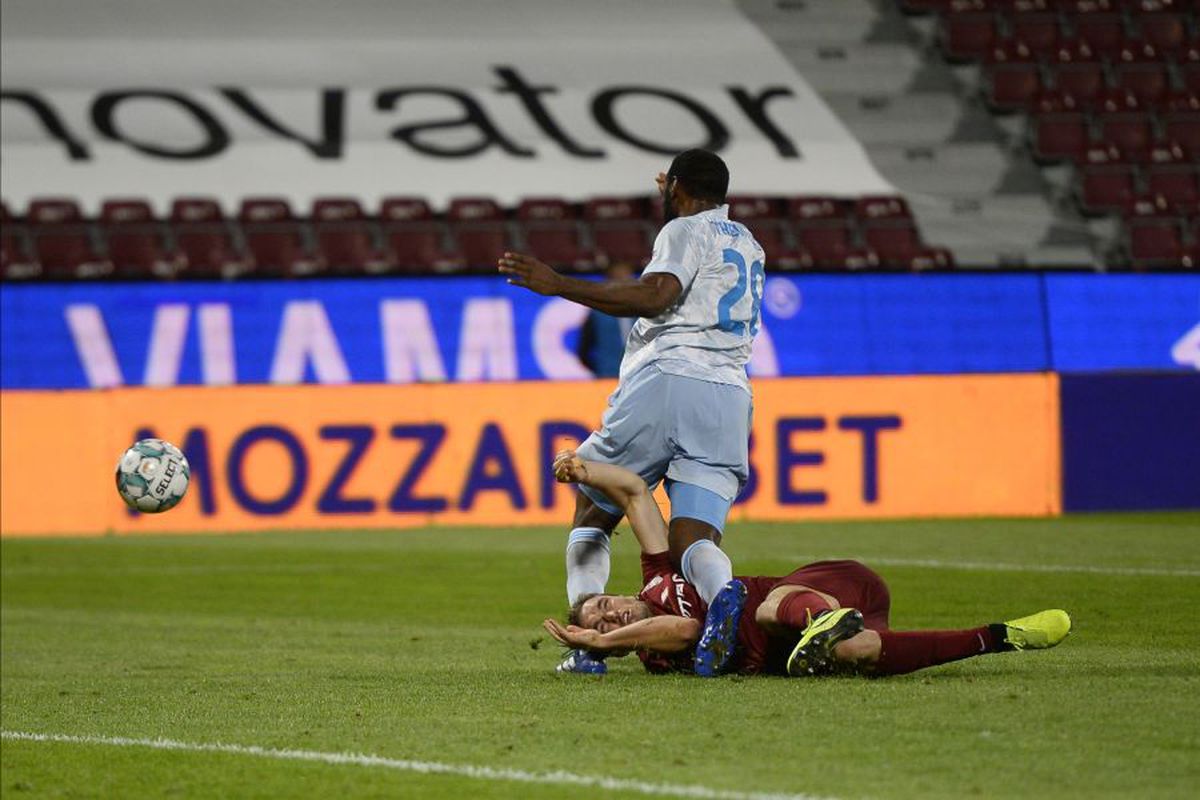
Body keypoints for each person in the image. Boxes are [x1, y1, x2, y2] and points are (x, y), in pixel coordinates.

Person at [499, 149, 766, 676]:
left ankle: (585, 644)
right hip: (729, 395)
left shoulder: (683, 231)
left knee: (593, 514)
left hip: (669, 378)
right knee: (692, 540)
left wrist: (561, 285)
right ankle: (721, 602)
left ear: (679, 190)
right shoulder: (749, 244)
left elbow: (657, 294)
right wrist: (675, 193)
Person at [542, 451, 1072, 677]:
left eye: (604, 607)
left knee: (772, 609)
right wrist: (609, 646)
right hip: (804, 647)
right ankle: (999, 636)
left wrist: (584, 467)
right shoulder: (651, 653)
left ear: (616, 593)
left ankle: (819, 618)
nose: (610, 619)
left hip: (828, 583)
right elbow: (682, 630)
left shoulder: (659, 575)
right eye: (602, 626)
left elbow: (635, 491)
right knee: (858, 651)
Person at [575, 262, 636, 378]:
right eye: (618, 280)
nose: (624, 285)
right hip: (607, 377)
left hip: (637, 377)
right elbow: (583, 350)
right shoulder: (597, 314)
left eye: (628, 281)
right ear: (609, 284)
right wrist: (599, 370)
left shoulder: (644, 313)